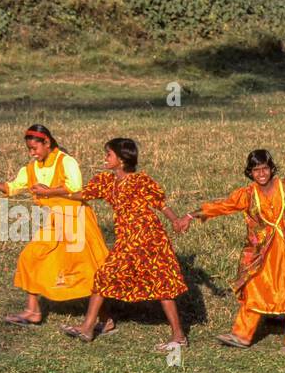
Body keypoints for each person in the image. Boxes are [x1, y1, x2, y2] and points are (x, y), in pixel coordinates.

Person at [32, 138, 189, 351]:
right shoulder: (107, 182)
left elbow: (160, 204)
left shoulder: (140, 181)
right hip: (127, 240)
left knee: (162, 286)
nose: (105, 158)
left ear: (122, 160)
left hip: (149, 239)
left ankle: (179, 336)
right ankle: (88, 327)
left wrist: (175, 220)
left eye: (109, 155)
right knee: (104, 276)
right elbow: (82, 194)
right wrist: (50, 192)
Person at [181, 150, 285, 352]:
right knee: (255, 288)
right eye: (256, 170)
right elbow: (224, 206)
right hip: (262, 253)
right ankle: (242, 335)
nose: (261, 174)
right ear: (250, 172)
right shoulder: (247, 194)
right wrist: (192, 215)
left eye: (264, 168)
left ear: (271, 168)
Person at [0, 124, 109, 327]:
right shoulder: (31, 169)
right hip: (53, 222)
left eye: (34, 148)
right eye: (29, 149)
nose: (32, 153)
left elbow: (75, 187)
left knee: (86, 268)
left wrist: (48, 192)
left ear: (47, 142)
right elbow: (11, 188)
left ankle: (106, 319)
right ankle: (32, 311)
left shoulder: (66, 161)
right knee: (30, 257)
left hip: (75, 219)